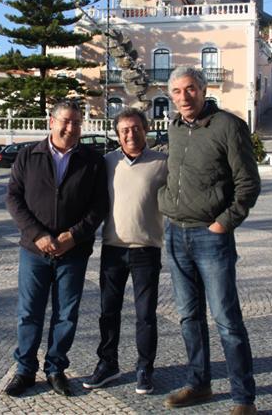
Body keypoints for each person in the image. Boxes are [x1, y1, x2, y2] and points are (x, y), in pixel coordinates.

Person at [158, 66, 261, 415]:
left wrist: (224, 223)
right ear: (170, 95)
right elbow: (174, 173)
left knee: (227, 320)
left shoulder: (229, 127)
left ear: (203, 90)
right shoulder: (174, 128)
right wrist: (166, 203)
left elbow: (248, 183)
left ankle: (243, 399)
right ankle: (199, 383)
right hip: (175, 233)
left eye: (190, 90)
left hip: (210, 236)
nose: (184, 97)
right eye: (176, 91)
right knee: (189, 318)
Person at [3, 100, 109, 398]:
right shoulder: (28, 155)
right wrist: (37, 235)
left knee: (66, 314)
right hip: (34, 250)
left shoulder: (92, 160)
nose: (70, 127)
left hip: (73, 252)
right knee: (29, 312)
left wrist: (73, 237)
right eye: (65, 121)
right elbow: (14, 198)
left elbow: (99, 206)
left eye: (76, 122)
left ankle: (55, 368)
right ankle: (25, 369)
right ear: (51, 122)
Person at [82, 108, 167, 395]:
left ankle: (145, 368)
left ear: (146, 130)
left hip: (146, 250)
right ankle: (108, 364)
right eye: (124, 130)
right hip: (112, 250)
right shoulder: (108, 163)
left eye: (135, 128)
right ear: (117, 134)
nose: (130, 134)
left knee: (146, 315)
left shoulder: (163, 163)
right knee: (108, 312)